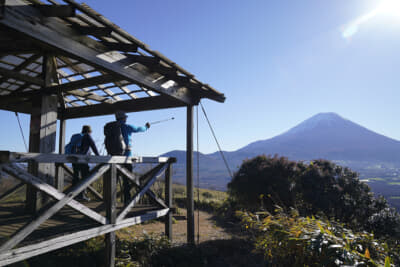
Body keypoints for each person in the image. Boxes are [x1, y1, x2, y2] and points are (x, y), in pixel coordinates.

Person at [114, 110, 150, 204]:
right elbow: (139, 129)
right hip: (126, 157)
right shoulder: (126, 126)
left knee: (114, 180)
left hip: (114, 157)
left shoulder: (112, 127)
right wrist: (146, 127)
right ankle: (127, 200)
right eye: (125, 117)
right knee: (127, 179)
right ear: (123, 118)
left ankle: (111, 201)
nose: (126, 118)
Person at [72, 125, 100, 201]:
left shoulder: (77, 137)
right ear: (89, 131)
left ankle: (72, 195)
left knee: (76, 177)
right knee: (85, 177)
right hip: (82, 160)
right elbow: (93, 145)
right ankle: (81, 195)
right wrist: (98, 156)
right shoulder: (87, 136)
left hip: (74, 159)